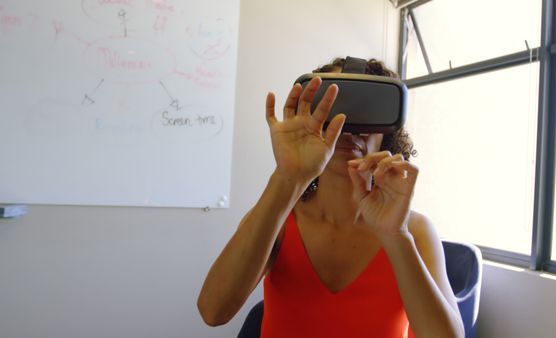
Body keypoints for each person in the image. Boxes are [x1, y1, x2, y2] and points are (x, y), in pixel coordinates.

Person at [197, 58, 464, 338]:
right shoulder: (280, 220)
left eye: (367, 108)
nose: (348, 126)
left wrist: (396, 237)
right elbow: (212, 311)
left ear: (388, 132)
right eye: (335, 108)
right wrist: (288, 177)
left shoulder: (414, 232)